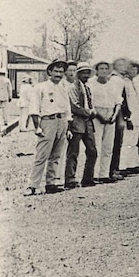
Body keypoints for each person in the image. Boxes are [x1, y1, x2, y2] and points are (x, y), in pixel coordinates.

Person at [26, 61, 72, 196]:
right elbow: (34, 108)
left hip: (61, 121)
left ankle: (50, 183)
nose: (59, 74)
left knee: (56, 155)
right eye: (56, 71)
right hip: (48, 121)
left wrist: (67, 127)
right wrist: (37, 127)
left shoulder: (63, 88)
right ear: (50, 72)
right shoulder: (41, 87)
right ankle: (32, 185)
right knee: (42, 155)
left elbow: (67, 109)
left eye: (61, 72)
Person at [65, 63, 100, 188]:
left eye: (87, 73)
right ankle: (70, 179)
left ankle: (87, 178)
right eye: (83, 72)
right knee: (73, 152)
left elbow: (90, 104)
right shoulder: (72, 88)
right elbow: (74, 106)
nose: (85, 75)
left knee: (92, 151)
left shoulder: (87, 87)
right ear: (78, 74)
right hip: (77, 122)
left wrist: (93, 111)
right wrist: (89, 112)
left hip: (88, 123)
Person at [88, 61, 123, 183]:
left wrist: (114, 116)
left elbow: (118, 102)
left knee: (108, 146)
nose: (103, 71)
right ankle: (95, 174)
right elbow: (90, 104)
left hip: (111, 115)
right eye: (101, 68)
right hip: (97, 115)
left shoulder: (112, 85)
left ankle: (104, 174)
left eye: (105, 68)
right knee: (97, 144)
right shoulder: (91, 84)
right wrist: (99, 116)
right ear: (96, 71)